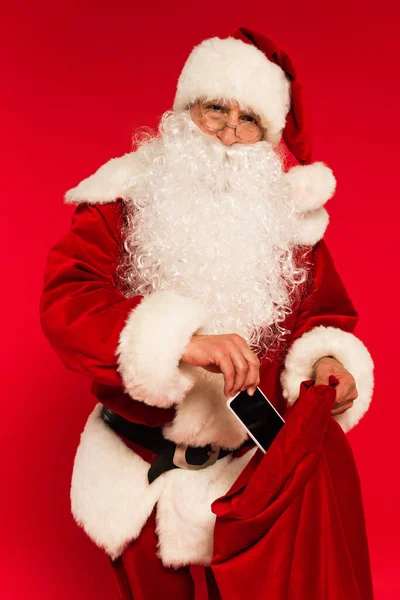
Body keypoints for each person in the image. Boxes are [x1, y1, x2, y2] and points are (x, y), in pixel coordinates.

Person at [39, 28, 374, 600]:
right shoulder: (121, 200)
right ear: (181, 110)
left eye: (249, 121)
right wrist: (180, 342)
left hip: (244, 478)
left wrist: (327, 368)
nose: (227, 133)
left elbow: (327, 319)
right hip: (136, 472)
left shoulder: (289, 224)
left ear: (267, 139)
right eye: (214, 108)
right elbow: (66, 303)